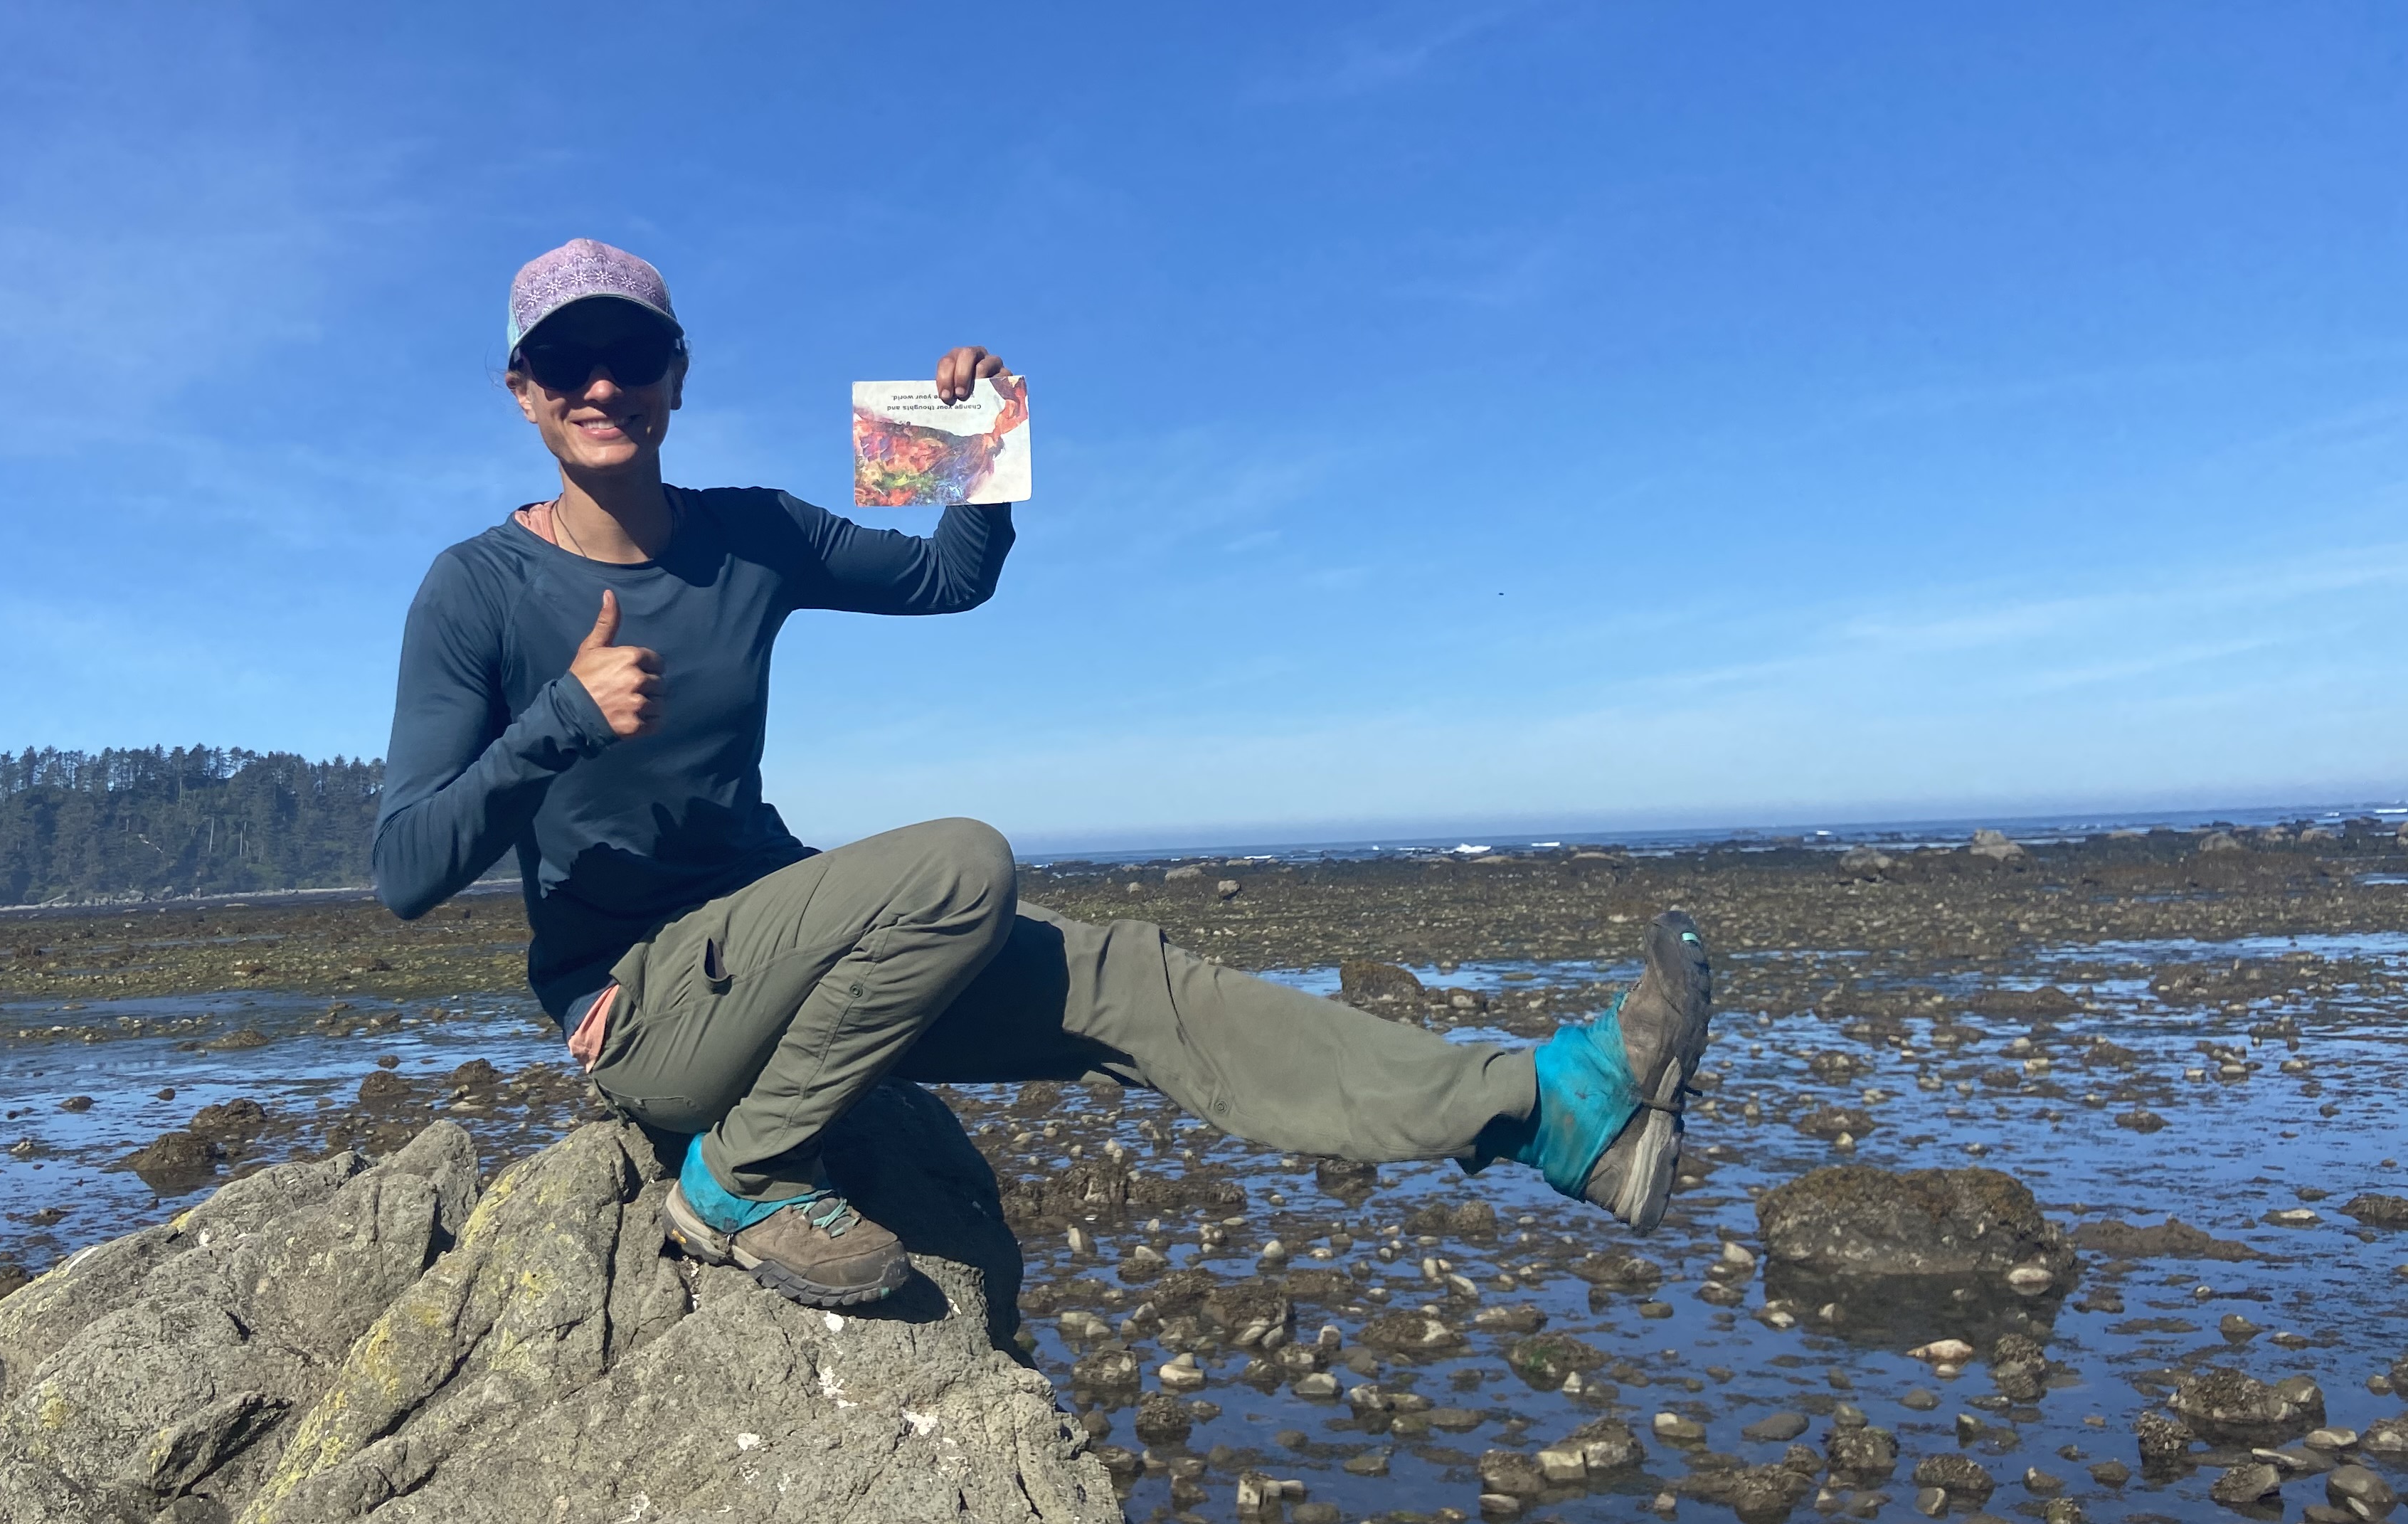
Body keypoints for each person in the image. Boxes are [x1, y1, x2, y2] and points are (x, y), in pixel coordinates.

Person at [375, 237, 1712, 1310]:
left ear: (678, 378)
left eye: (630, 355)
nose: (600, 385)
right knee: (962, 866)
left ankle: (1552, 1115)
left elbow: (950, 580)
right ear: (522, 391)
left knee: (1130, 981)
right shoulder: (476, 589)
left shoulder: (751, 533)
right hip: (646, 1011)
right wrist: (560, 719)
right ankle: (740, 1176)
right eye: (565, 361)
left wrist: (975, 440)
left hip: (792, 950)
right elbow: (405, 871)